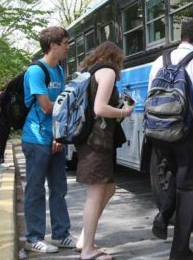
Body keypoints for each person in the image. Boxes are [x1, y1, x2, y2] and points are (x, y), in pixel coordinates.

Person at [148, 19, 193, 260]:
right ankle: (180, 252)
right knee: (190, 187)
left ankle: (163, 215)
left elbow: (152, 95)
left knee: (177, 175)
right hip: (188, 132)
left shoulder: (160, 60)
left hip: (160, 133)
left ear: (182, 36)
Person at [76, 41, 134, 260]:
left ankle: (85, 238)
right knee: (96, 194)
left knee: (108, 189)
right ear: (115, 58)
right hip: (97, 142)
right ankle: (88, 250)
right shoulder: (108, 72)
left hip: (90, 140)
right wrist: (124, 112)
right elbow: (99, 108)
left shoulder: (91, 71)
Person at [22, 26, 76, 253]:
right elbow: (46, 107)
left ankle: (60, 234)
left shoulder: (60, 71)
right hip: (35, 139)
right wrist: (71, 104)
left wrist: (60, 136)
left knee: (58, 188)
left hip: (55, 138)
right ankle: (33, 237)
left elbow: (60, 109)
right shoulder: (36, 71)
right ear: (53, 45)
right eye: (65, 43)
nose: (68, 48)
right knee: (35, 189)